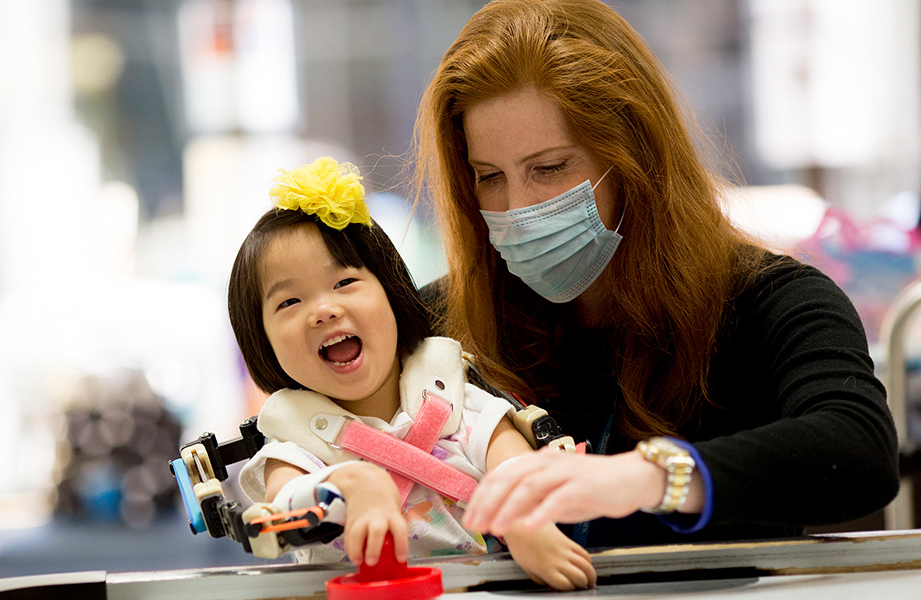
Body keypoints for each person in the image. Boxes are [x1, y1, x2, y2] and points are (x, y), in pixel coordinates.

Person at [412, 0, 899, 548]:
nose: (518, 206)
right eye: (489, 176)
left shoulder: (770, 301)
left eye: (550, 168)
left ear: (635, 158)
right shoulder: (434, 322)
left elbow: (859, 450)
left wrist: (649, 477)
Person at [227, 156, 596, 590]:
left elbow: (513, 466)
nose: (324, 310)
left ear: (393, 292)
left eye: (344, 282)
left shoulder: (456, 402)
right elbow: (286, 504)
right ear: (262, 342)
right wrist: (347, 483)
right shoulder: (296, 448)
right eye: (289, 303)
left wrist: (522, 523)